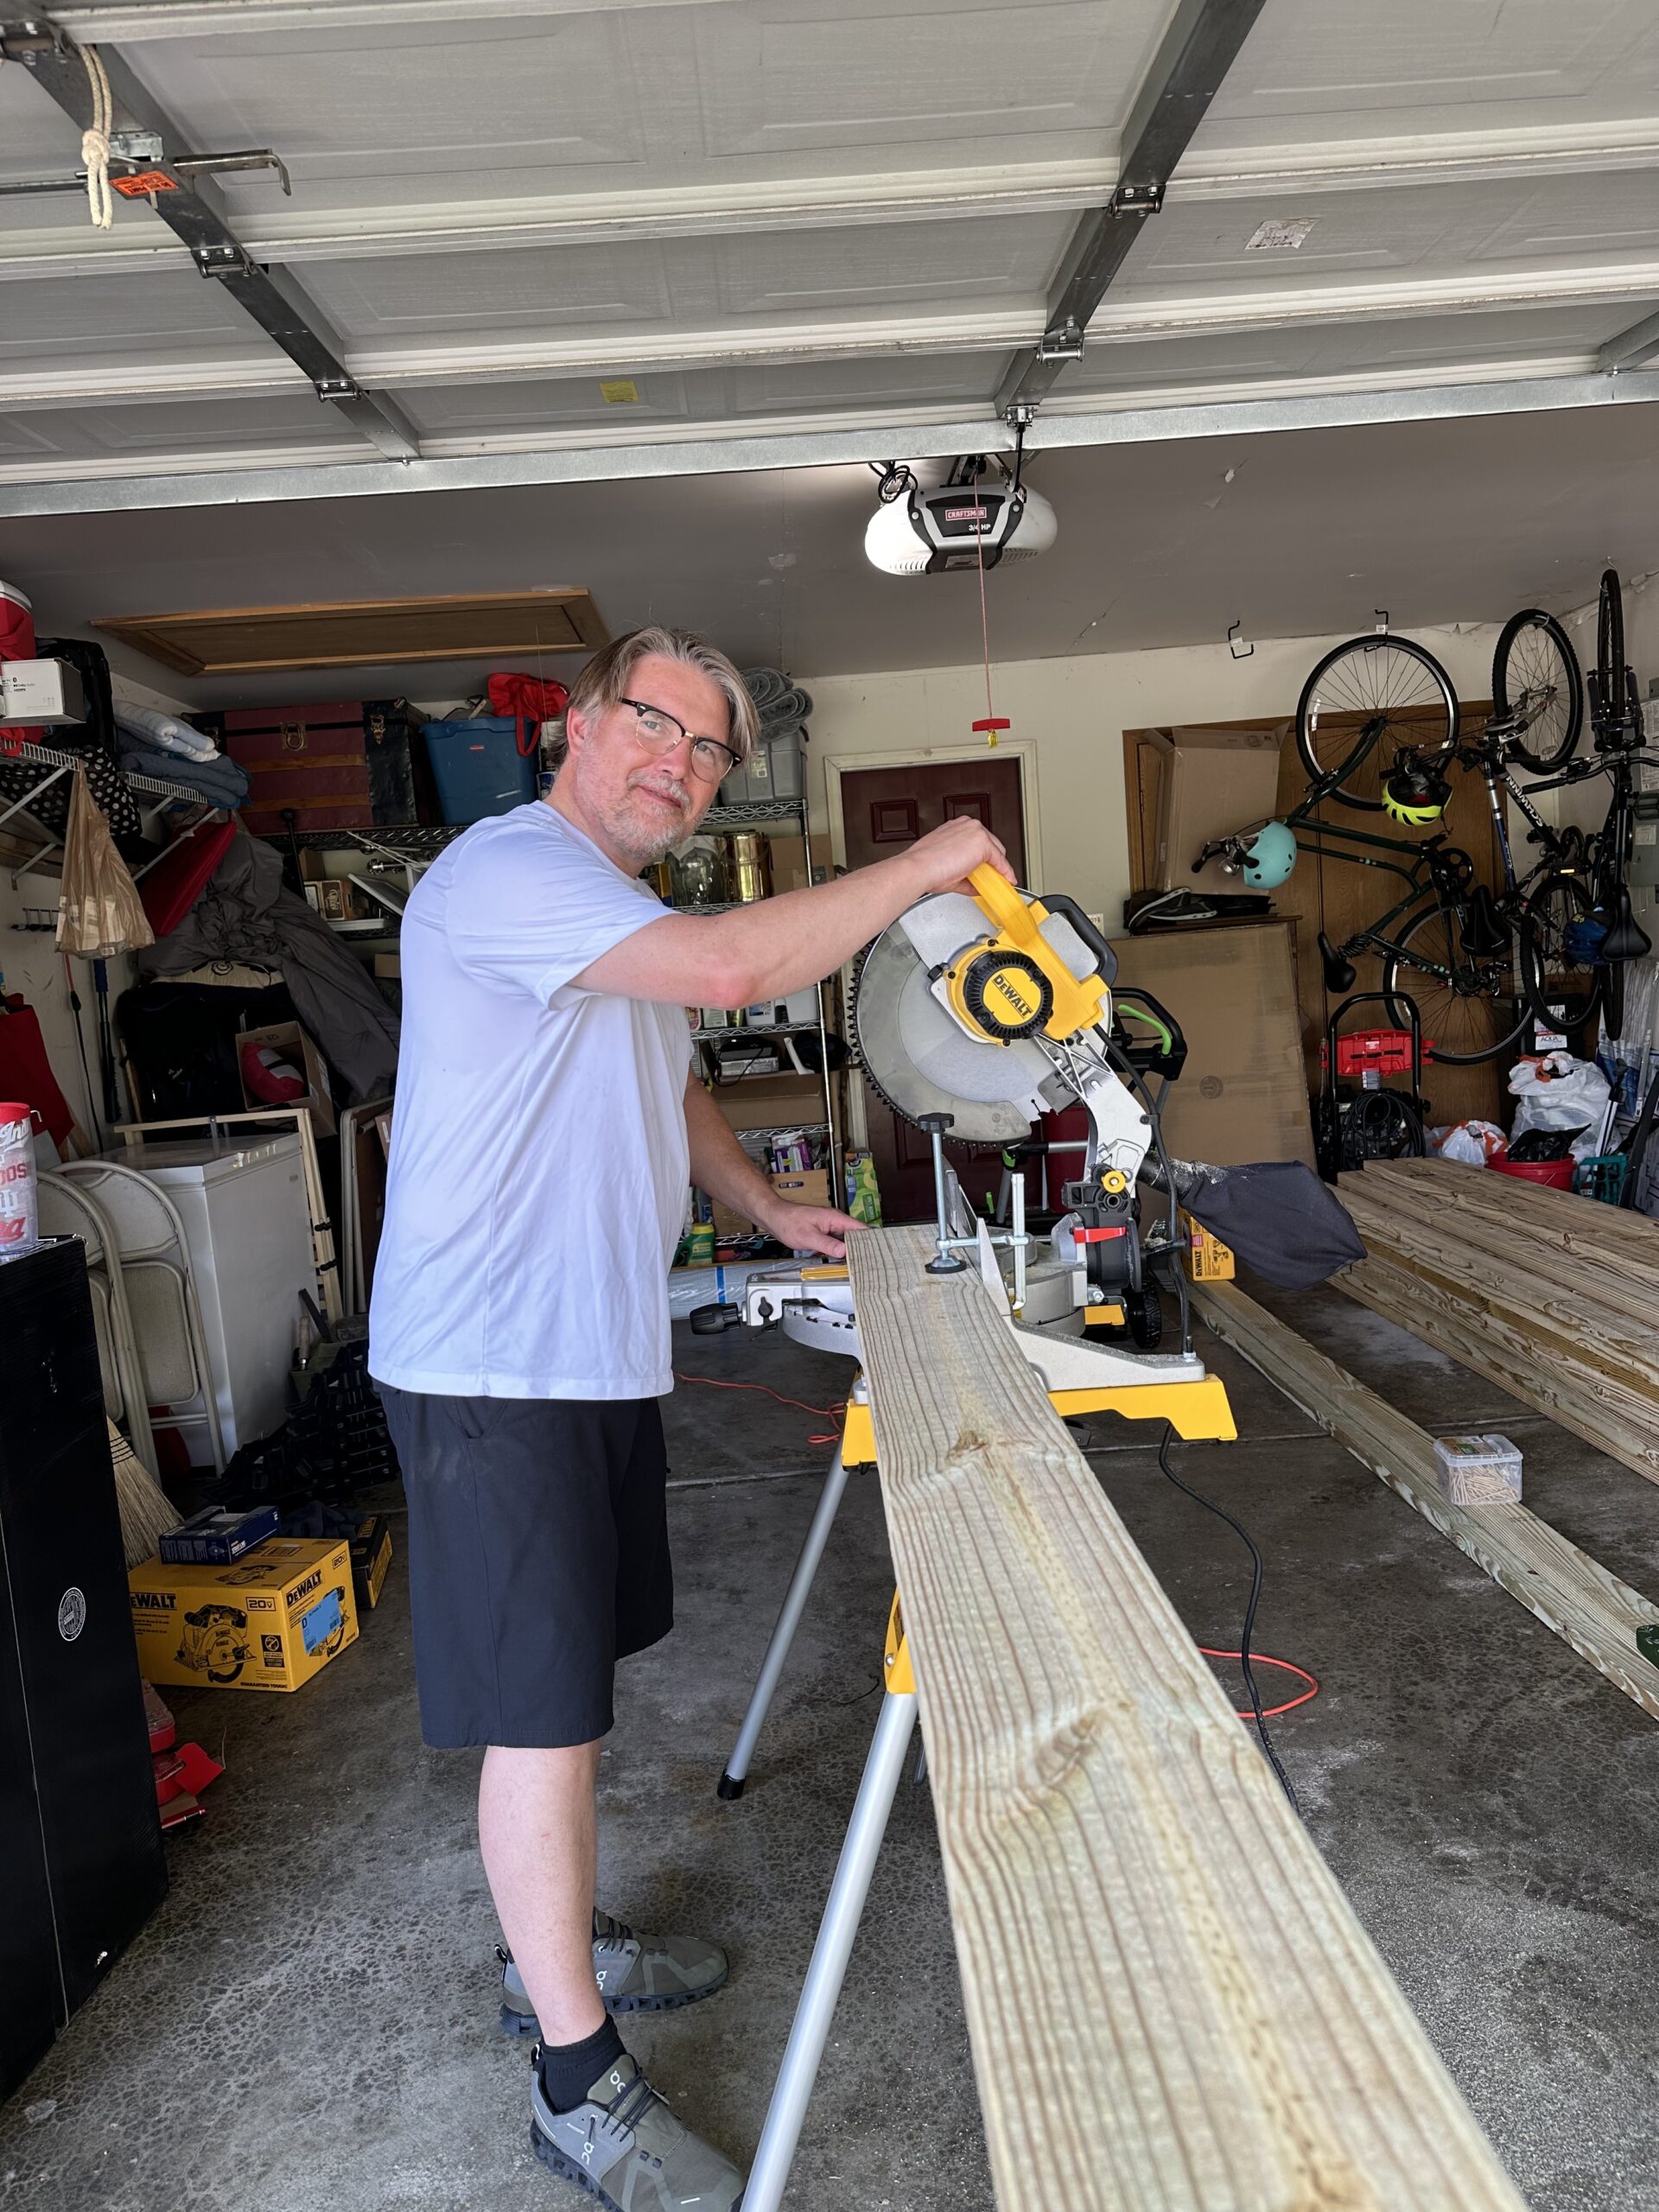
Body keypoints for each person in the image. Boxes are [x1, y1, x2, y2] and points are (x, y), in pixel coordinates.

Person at [369, 625, 1011, 2208]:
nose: (677, 760)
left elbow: (675, 1069)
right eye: (654, 724)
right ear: (576, 730)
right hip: (489, 1367)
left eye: (707, 748)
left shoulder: (616, 909)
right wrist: (925, 858)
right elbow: (733, 977)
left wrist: (760, 1206)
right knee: (544, 1714)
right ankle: (574, 2081)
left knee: (574, 1682)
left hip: (584, 1354)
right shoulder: (506, 872)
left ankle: (557, 1949)